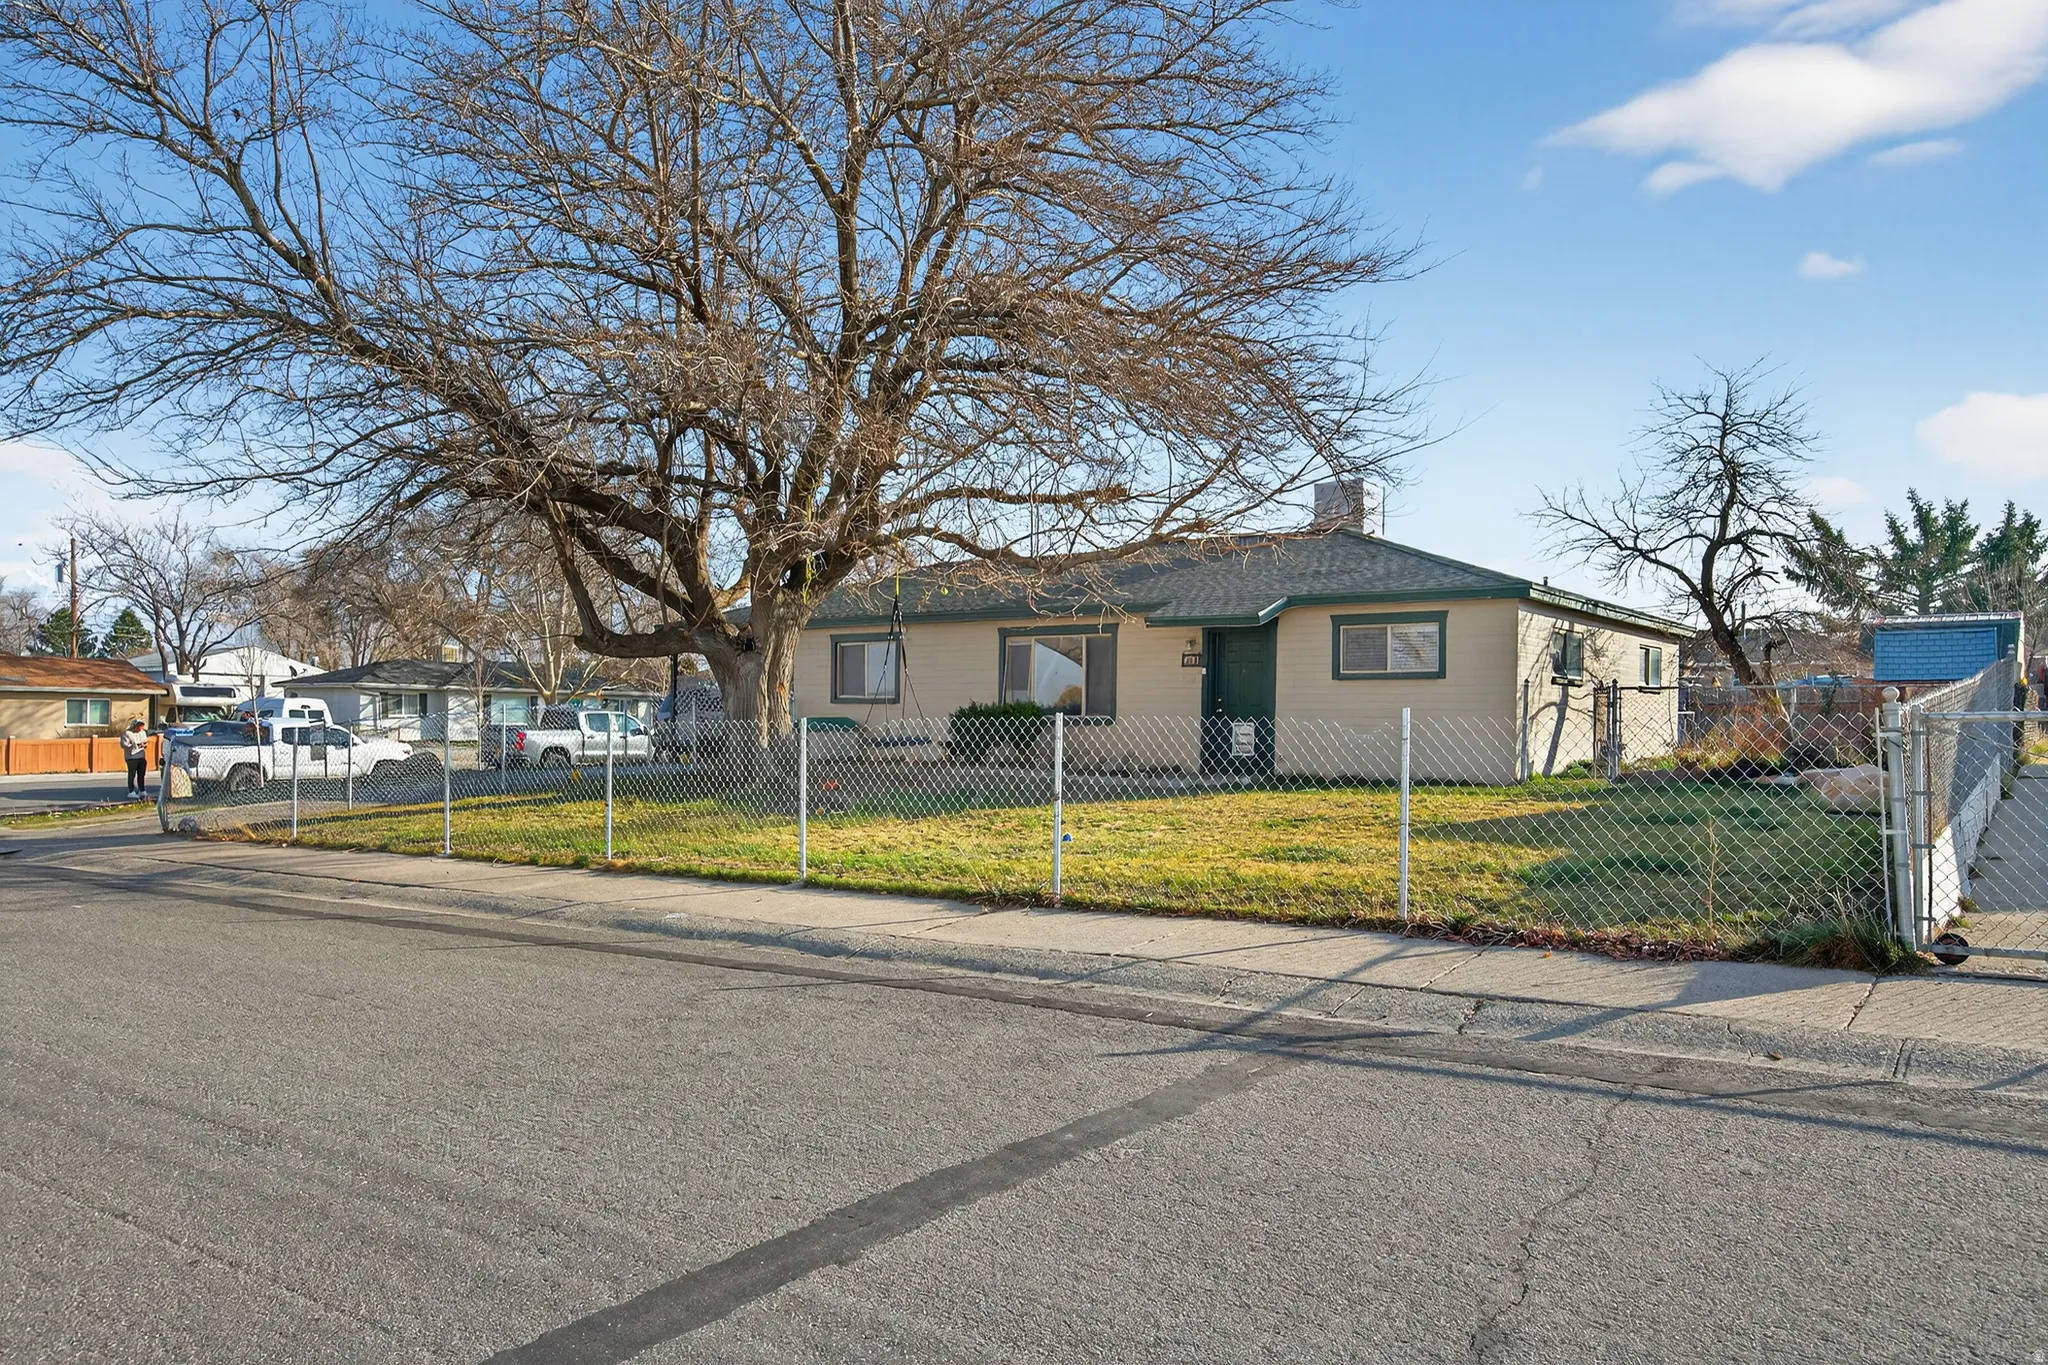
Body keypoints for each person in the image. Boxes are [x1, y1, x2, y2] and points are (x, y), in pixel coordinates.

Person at [121, 718, 150, 798]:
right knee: (132, 774)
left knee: (141, 774)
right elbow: (124, 745)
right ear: (134, 726)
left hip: (141, 756)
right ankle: (131, 791)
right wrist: (134, 746)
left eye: (142, 726)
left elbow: (145, 741)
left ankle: (142, 790)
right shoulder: (127, 733)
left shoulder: (143, 733)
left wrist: (144, 745)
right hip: (131, 757)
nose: (140, 728)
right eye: (139, 726)